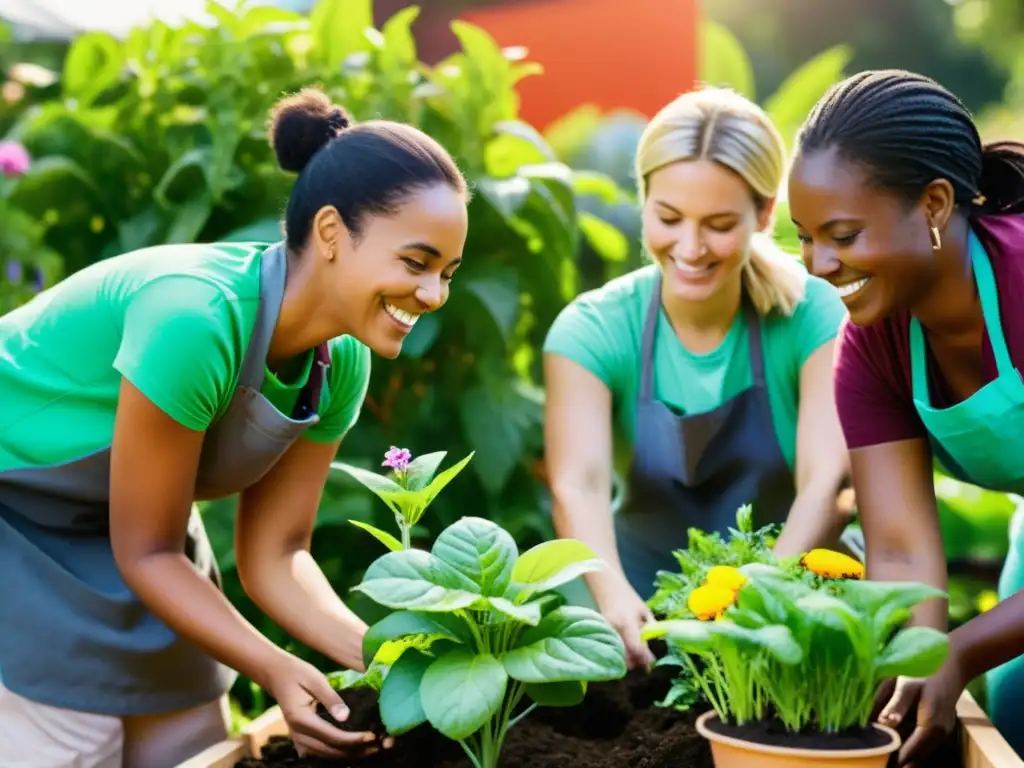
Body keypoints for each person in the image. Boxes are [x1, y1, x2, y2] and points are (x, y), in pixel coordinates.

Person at [0, 87, 469, 768]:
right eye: (416, 263)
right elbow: (148, 551)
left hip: (128, 528)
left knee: (191, 750)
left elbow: (277, 554)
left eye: (448, 274)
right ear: (333, 233)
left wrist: (396, 662)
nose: (433, 296)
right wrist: (275, 667)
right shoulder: (196, 320)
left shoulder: (339, 364)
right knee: (76, 747)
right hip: (18, 514)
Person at [542, 87, 851, 670]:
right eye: (668, 218)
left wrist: (761, 607)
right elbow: (576, 485)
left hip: (793, 605)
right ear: (644, 200)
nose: (689, 247)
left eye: (717, 224)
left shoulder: (813, 317)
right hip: (640, 609)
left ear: (763, 214)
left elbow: (828, 484)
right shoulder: (592, 330)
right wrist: (612, 600)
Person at [787, 68, 1024, 765]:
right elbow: (898, 549)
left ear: (934, 203)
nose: (819, 263)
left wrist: (966, 648)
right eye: (803, 236)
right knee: (1011, 720)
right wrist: (918, 669)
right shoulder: (871, 346)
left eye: (842, 234)